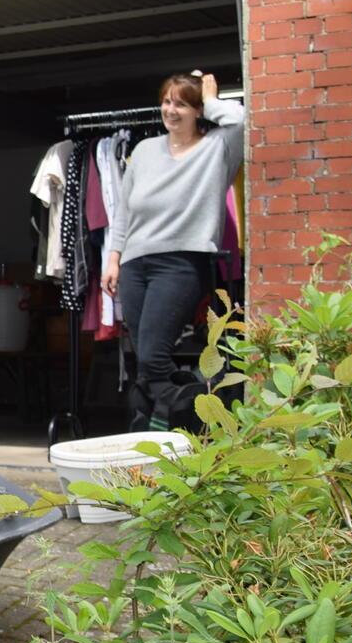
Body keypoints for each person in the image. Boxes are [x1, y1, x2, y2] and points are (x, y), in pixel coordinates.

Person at [100, 71, 246, 431]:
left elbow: (242, 120)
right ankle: (148, 430)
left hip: (181, 261)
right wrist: (114, 257)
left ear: (198, 110)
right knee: (143, 355)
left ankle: (181, 418)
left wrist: (212, 100)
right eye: (167, 101)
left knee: (153, 355)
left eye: (181, 103)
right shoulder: (144, 150)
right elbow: (124, 210)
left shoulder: (218, 148)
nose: (171, 109)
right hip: (135, 263)